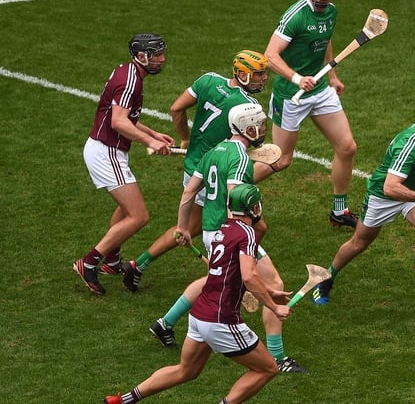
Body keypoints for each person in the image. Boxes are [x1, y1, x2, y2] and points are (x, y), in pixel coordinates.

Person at [150, 103, 308, 373]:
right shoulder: (240, 159)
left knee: (213, 280)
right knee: (274, 282)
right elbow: (235, 200)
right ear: (249, 128)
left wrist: (183, 227)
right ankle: (278, 358)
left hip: (212, 232)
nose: (263, 128)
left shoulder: (214, 151)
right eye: (259, 124)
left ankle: (165, 323)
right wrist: (246, 231)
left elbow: (189, 193)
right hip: (229, 231)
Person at [103, 184, 292, 404]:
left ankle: (122, 400)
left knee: (186, 371)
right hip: (221, 320)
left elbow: (231, 276)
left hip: (199, 314)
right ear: (255, 208)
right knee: (268, 368)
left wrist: (268, 292)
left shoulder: (223, 229)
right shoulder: (247, 234)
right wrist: (274, 306)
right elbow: (249, 275)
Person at [117, 50, 269, 293]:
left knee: (191, 225)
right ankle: (242, 273)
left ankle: (138, 265)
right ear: (242, 74)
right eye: (259, 74)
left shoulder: (207, 80)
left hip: (193, 168)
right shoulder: (249, 107)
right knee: (245, 224)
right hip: (217, 171)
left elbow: (176, 108)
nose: (264, 79)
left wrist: (185, 140)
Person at [312, 109, 415, 304]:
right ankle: (326, 278)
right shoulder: (408, 149)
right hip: (383, 196)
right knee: (359, 242)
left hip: (414, 190)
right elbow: (391, 188)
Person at [73, 34, 173, 295]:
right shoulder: (131, 81)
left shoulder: (129, 73)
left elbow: (126, 117)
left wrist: (153, 134)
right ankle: (90, 262)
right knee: (139, 216)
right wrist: (149, 143)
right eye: (157, 54)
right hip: (107, 153)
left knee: (127, 207)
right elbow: (118, 122)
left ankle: (113, 261)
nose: (162, 59)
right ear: (142, 57)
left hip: (108, 150)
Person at [262, 0, 359, 228]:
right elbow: (270, 56)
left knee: (347, 147)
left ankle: (340, 210)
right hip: (291, 95)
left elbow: (325, 40)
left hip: (319, 91)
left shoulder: (331, 12)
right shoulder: (296, 16)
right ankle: (230, 187)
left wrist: (332, 76)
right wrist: (296, 78)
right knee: (281, 160)